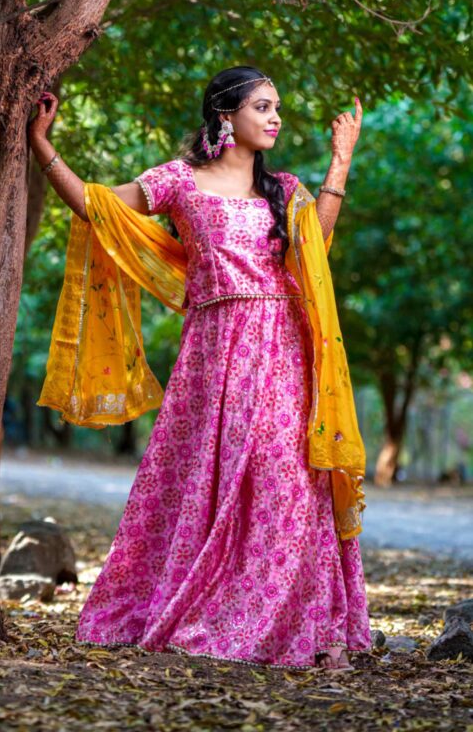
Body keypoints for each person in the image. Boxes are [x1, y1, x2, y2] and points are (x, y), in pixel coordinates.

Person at [27, 64, 370, 671]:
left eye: (277, 108)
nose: (275, 118)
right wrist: (42, 147)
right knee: (201, 485)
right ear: (225, 115)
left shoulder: (284, 189)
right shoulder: (178, 182)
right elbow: (100, 209)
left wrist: (341, 161)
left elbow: (312, 248)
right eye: (262, 107)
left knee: (285, 479)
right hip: (212, 352)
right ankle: (212, 612)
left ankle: (299, 623)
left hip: (284, 347)